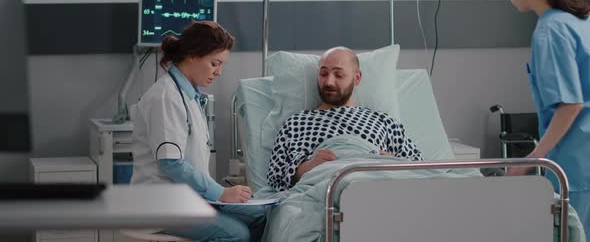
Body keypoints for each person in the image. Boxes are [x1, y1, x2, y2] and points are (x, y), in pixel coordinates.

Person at [131, 21, 266, 242]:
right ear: (193, 55)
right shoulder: (166, 97)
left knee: (259, 216)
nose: (219, 72)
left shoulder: (190, 95)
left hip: (189, 198)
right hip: (161, 205)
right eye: (215, 63)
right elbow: (171, 163)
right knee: (236, 234)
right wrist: (220, 193)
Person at [499, 0, 590, 239]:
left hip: (576, 166)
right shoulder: (580, 18)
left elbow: (570, 105)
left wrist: (532, 159)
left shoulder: (550, 31)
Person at [267, 47, 423, 191]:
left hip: (378, 189)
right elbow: (274, 180)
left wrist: (392, 161)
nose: (329, 82)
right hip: (323, 191)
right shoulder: (296, 123)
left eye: (338, 74)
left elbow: (421, 168)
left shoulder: (384, 121)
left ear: (357, 78)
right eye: (323, 74)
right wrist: (309, 166)